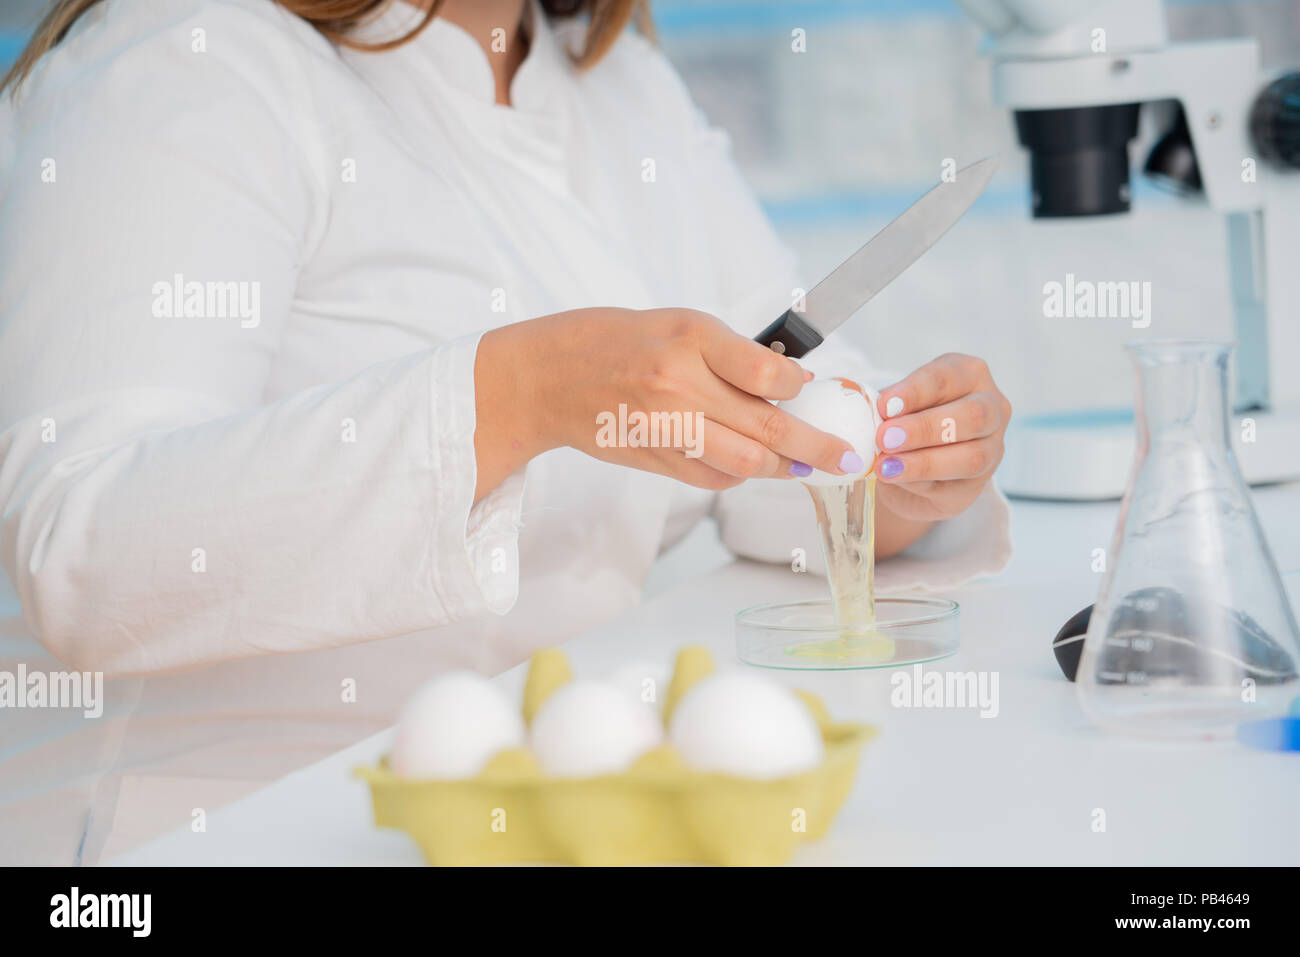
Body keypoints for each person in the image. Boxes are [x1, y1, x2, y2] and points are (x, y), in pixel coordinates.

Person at [0, 0, 1012, 864]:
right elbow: (83, 551)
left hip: (534, 807)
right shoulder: (185, 55)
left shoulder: (608, 81)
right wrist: (515, 395)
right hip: (212, 828)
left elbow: (756, 446)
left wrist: (890, 482)